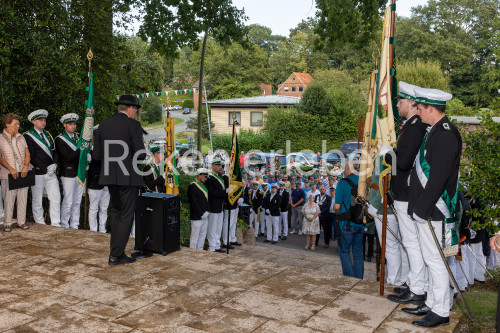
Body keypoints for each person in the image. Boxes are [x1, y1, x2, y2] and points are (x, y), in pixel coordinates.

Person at [406, 87, 461, 328]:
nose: (417, 112)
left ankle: (441, 310)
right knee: (430, 259)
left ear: (430, 108)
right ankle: (431, 301)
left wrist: (422, 209)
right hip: (427, 208)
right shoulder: (435, 131)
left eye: (419, 108)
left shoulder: (446, 135)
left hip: (435, 211)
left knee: (437, 260)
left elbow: (438, 177)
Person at [383, 81, 429, 305]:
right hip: (405, 191)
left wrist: (388, 154)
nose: (398, 104)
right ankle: (414, 283)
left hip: (406, 192)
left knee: (412, 242)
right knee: (411, 242)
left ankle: (417, 287)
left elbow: (403, 163)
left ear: (411, 103)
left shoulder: (414, 127)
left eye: (400, 101)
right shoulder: (412, 126)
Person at [93, 95, 146, 266]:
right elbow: (141, 153)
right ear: (130, 109)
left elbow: (97, 155)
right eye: (135, 110)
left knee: (115, 212)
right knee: (126, 215)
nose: (135, 113)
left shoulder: (104, 125)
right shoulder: (133, 125)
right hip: (128, 176)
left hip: (110, 175)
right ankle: (116, 255)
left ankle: (116, 252)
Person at [24, 109, 61, 227]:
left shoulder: (48, 135)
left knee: (55, 198)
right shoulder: (28, 136)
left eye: (44, 120)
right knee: (37, 199)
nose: (43, 122)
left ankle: (56, 223)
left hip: (51, 172)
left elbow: (55, 152)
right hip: (38, 172)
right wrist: (44, 168)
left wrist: (55, 164)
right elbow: (31, 155)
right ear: (34, 121)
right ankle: (40, 223)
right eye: (41, 120)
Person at [0, 113, 31, 232]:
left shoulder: (21, 137)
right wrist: (11, 169)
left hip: (23, 173)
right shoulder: (0, 138)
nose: (18, 126)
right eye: (15, 124)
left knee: (23, 198)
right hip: (8, 175)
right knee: (8, 199)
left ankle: (21, 222)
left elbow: (27, 154)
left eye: (18, 124)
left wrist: (25, 166)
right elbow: (0, 158)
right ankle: (7, 223)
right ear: (7, 124)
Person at [334, 160, 364, 279]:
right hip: (361, 222)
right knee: (358, 252)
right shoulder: (363, 181)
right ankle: (358, 279)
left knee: (345, 251)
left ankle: (350, 279)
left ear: (347, 167)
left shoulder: (342, 183)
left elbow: (337, 207)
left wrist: (335, 211)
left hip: (345, 223)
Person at [56, 113, 84, 229]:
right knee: (68, 202)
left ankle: (74, 225)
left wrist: (87, 155)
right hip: (68, 173)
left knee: (77, 201)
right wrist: (81, 150)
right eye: (70, 124)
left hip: (79, 172)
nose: (73, 126)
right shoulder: (60, 139)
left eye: (74, 124)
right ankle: (64, 224)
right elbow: (68, 157)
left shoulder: (79, 137)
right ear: (64, 125)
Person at [205, 158, 226, 253]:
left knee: (218, 227)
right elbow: (211, 192)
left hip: (220, 205)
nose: (220, 167)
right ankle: (212, 247)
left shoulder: (220, 176)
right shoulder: (210, 177)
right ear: (213, 166)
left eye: (220, 165)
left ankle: (217, 245)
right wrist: (224, 193)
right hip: (213, 205)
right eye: (217, 166)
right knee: (212, 228)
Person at [88, 145, 110, 233]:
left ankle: (102, 230)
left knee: (104, 208)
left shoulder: (108, 149)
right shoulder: (89, 151)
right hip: (95, 182)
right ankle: (93, 230)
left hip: (107, 182)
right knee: (94, 208)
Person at [188, 168, 210, 249]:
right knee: (195, 236)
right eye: (204, 176)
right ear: (199, 175)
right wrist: (201, 213)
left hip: (205, 215)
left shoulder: (204, 185)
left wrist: (207, 211)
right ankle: (192, 253)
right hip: (197, 216)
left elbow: (207, 200)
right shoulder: (192, 186)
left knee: (202, 236)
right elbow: (193, 202)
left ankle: (200, 251)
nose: (206, 179)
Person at [222, 174, 243, 249]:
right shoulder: (225, 177)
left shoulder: (234, 176)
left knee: (234, 223)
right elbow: (226, 191)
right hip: (229, 205)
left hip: (235, 204)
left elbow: (238, 188)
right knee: (228, 224)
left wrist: (240, 197)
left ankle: (232, 238)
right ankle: (226, 241)